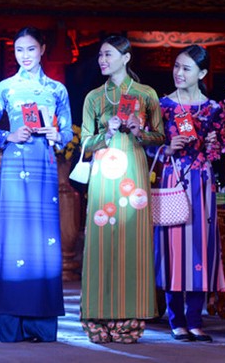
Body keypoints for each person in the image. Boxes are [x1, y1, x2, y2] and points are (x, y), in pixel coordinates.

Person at [0, 27, 73, 343]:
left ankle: (41, 324)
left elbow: (66, 133)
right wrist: (8, 135)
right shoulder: (5, 89)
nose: (25, 55)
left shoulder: (56, 89)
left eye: (31, 49)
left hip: (44, 163)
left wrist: (56, 135)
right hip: (14, 162)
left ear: (42, 49)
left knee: (43, 238)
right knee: (15, 238)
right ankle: (12, 325)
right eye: (20, 50)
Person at [79, 35, 164, 344]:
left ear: (126, 58)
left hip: (134, 175)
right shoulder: (94, 98)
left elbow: (160, 136)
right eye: (100, 55)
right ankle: (96, 317)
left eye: (109, 54)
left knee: (134, 245)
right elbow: (84, 144)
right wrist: (108, 130)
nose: (103, 60)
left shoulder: (146, 95)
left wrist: (140, 131)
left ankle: (130, 321)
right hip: (103, 176)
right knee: (101, 242)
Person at [152, 45, 225, 342]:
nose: (179, 73)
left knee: (200, 248)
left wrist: (213, 144)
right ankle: (175, 318)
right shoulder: (162, 105)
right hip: (172, 179)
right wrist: (166, 148)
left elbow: (218, 150)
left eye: (186, 68)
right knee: (173, 250)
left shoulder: (213, 109)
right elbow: (147, 142)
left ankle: (196, 318)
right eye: (177, 67)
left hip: (202, 182)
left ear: (202, 73)